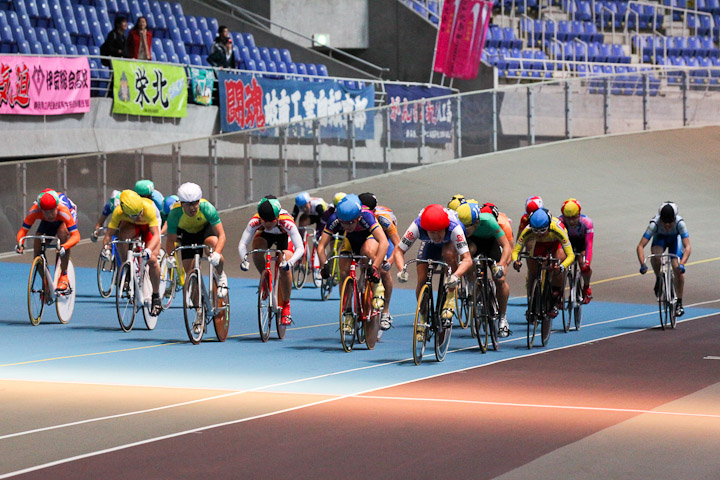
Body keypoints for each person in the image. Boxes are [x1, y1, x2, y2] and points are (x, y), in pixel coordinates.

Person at [392, 204, 472, 326]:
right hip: (429, 244)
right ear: (425, 229)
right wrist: (401, 269)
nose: (436, 236)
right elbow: (399, 250)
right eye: (432, 232)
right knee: (422, 277)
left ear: (445, 227)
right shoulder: (417, 226)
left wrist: (456, 276)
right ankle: (423, 315)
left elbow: (467, 259)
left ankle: (450, 296)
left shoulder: (455, 228)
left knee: (449, 254)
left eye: (440, 231)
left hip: (449, 242)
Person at [238, 197, 304, 325]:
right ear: (260, 218)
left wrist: (289, 263)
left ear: (277, 217)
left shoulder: (287, 221)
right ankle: (265, 280)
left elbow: (300, 248)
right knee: (256, 251)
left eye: (272, 221)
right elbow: (242, 244)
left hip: (284, 238)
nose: (268, 224)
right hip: (265, 237)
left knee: (284, 263)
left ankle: (286, 307)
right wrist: (244, 259)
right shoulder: (255, 220)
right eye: (265, 221)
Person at [317, 194, 389, 308]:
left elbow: (384, 242)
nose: (346, 226)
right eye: (343, 223)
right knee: (343, 272)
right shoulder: (334, 219)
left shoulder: (366, 216)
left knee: (367, 251)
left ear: (358, 218)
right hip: (351, 239)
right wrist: (324, 265)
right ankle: (347, 310)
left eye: (350, 223)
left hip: (368, 236)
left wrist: (375, 267)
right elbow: (321, 246)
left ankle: (377, 285)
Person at [101, 189, 163, 315]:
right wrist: (106, 249)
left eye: (140, 213)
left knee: (152, 260)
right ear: (124, 210)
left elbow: (156, 235)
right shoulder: (119, 212)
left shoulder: (149, 208)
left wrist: (149, 249)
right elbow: (108, 235)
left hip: (149, 227)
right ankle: (126, 268)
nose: (139, 216)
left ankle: (156, 297)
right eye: (135, 215)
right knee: (121, 237)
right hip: (131, 226)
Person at [457, 201, 513, 337]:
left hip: (490, 243)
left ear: (476, 222)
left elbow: (506, 246)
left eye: (467, 227)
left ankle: (503, 318)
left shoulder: (489, 221)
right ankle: (472, 285)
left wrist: (500, 264)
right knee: (467, 256)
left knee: (500, 279)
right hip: (473, 243)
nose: (464, 229)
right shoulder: (460, 224)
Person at [165, 183, 228, 297]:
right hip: (187, 235)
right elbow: (170, 240)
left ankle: (220, 275)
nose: (192, 207)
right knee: (190, 276)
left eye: (195, 203)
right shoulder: (174, 213)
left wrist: (217, 253)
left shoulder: (207, 208)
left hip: (205, 231)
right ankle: (199, 312)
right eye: (188, 204)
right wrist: (170, 257)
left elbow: (221, 235)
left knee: (213, 243)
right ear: (182, 203)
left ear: (199, 201)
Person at [512, 208, 575, 318]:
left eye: (542, 230)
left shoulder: (557, 229)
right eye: (536, 231)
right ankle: (533, 298)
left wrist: (561, 267)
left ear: (548, 226)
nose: (539, 234)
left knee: (559, 261)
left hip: (556, 244)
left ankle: (555, 298)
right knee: (532, 267)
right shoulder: (528, 230)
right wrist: (516, 261)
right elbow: (516, 251)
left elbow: (571, 255)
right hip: (540, 245)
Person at [15, 189, 81, 292]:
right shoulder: (34, 211)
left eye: (52, 211)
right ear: (41, 210)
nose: (50, 215)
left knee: (62, 234)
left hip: (64, 219)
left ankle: (64, 276)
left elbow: (76, 236)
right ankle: (46, 283)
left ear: (56, 207)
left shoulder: (63, 210)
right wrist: (20, 243)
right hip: (48, 222)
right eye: (46, 212)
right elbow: (23, 231)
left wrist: (65, 246)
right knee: (37, 243)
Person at [636, 201, 690, 317]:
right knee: (656, 256)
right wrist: (642, 264)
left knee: (677, 268)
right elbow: (640, 246)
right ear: (660, 219)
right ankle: (658, 277)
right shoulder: (654, 224)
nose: (667, 225)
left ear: (674, 219)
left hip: (675, 240)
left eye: (670, 222)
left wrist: (683, 264)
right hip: (660, 239)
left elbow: (688, 246)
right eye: (664, 222)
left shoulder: (680, 223)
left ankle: (679, 302)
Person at [358, 192, 402, 334]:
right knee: (366, 252)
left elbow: (398, 245)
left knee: (384, 271)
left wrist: (388, 261)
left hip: (386, 238)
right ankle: (363, 275)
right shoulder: (359, 215)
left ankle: (386, 311)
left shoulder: (384, 219)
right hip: (370, 236)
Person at [558, 198, 594, 304]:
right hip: (566, 243)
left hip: (581, 243)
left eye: (574, 218)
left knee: (583, 264)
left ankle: (586, 287)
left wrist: (587, 262)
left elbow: (589, 245)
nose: (571, 221)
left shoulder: (587, 223)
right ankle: (559, 291)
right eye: (568, 218)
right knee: (560, 261)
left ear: (579, 215)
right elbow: (558, 244)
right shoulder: (559, 222)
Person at [293, 191, 328, 282]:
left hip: (321, 217)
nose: (304, 209)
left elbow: (324, 221)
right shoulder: (298, 206)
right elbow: (292, 220)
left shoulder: (318, 205)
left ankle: (320, 263)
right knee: (301, 222)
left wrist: (319, 235)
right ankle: (302, 246)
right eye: (301, 207)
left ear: (309, 202)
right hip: (311, 216)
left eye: (305, 206)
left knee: (318, 238)